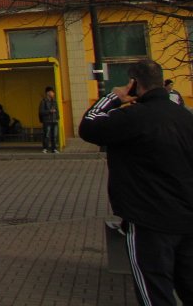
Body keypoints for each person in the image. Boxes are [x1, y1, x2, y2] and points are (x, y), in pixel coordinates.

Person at [79, 59, 193, 305]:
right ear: (162, 82)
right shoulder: (186, 118)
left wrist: (114, 97)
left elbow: (89, 126)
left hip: (148, 221)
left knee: (154, 291)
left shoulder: (134, 118)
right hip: (187, 219)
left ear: (134, 84)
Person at [39, 86, 60, 153]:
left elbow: (57, 110)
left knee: (54, 135)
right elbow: (41, 112)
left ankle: (54, 149)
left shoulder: (54, 101)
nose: (53, 94)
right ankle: (45, 148)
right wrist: (49, 111)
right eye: (52, 92)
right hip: (47, 121)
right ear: (48, 93)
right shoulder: (43, 101)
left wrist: (57, 117)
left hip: (54, 121)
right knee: (47, 135)